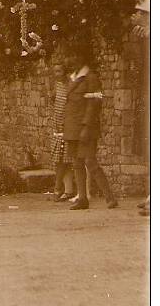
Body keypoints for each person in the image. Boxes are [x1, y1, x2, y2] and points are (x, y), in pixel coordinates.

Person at [63, 47, 118, 211]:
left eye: (74, 55)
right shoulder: (72, 78)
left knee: (90, 162)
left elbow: (94, 105)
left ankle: (110, 197)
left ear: (82, 58)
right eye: (69, 56)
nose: (71, 60)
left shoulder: (91, 78)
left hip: (85, 128)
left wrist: (86, 126)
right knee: (77, 163)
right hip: (72, 128)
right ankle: (82, 199)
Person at [49, 62, 76, 201]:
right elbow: (54, 99)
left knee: (64, 160)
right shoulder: (57, 85)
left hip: (67, 126)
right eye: (55, 71)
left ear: (65, 72)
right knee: (59, 159)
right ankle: (68, 190)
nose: (57, 74)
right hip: (57, 126)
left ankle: (58, 188)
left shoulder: (70, 85)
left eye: (59, 71)